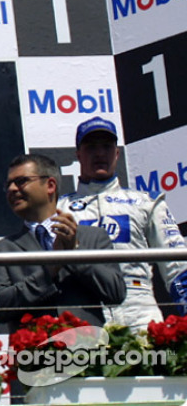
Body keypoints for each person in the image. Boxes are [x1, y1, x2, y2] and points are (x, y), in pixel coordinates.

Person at [58, 116, 187, 330]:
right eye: (91, 147)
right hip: (85, 312)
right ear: (78, 155)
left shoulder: (146, 202)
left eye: (107, 147)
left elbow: (178, 267)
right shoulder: (60, 209)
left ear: (117, 154)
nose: (100, 153)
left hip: (139, 309)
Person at [0, 154, 126, 334]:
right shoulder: (0, 251)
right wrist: (49, 271)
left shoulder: (93, 237)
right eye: (8, 184)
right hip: (34, 356)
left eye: (21, 181)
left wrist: (74, 253)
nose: (12, 189)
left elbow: (116, 293)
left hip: (89, 353)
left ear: (50, 185)